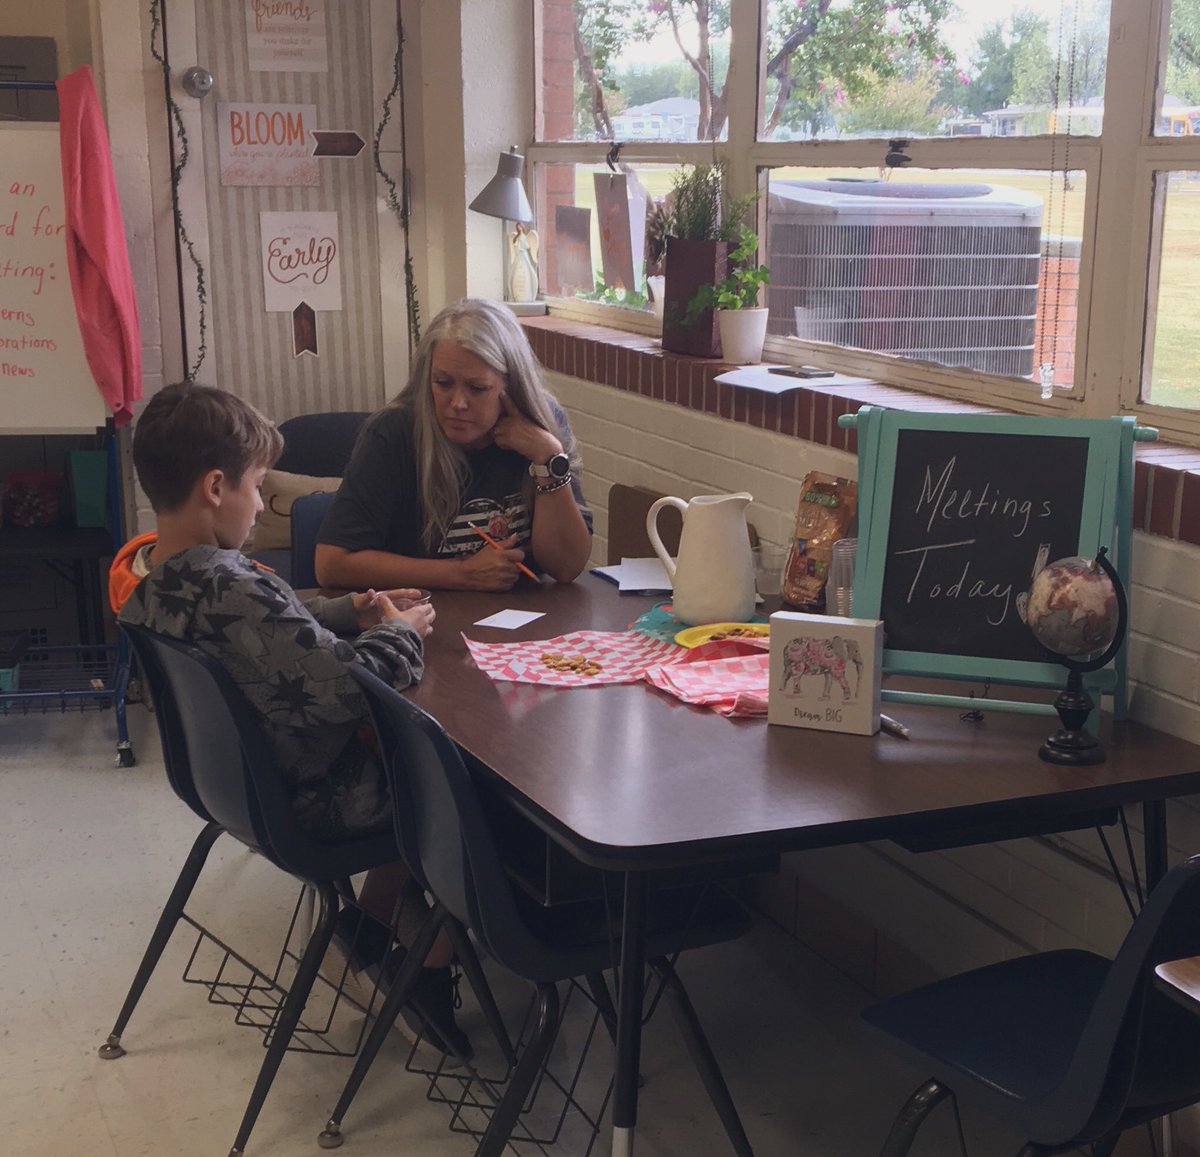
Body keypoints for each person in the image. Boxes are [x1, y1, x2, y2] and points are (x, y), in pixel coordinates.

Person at [115, 381, 470, 1059]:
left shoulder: (156, 576)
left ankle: (370, 920)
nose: (261, 504)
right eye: (257, 488)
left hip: (239, 789)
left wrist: (351, 612)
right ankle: (429, 959)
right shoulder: (237, 585)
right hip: (314, 799)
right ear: (216, 486)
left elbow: (266, 639)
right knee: (464, 789)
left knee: (425, 769)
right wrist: (400, 633)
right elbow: (347, 689)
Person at [315, 297, 593, 593]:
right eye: (443, 383)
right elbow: (331, 564)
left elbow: (566, 568)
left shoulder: (543, 427)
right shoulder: (393, 433)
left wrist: (549, 458)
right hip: (420, 617)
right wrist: (460, 574)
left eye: (477, 388)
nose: (457, 403)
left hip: (522, 622)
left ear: (511, 386)